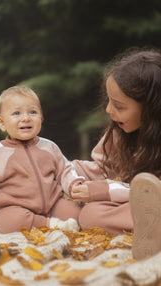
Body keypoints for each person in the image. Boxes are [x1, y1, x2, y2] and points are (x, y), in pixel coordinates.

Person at [64, 47, 161, 260]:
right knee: (90, 214)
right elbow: (102, 168)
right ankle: (152, 229)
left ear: (151, 110)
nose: (108, 110)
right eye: (109, 101)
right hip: (136, 206)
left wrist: (106, 191)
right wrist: (66, 168)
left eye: (118, 105)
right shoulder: (119, 132)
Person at [0, 86, 83, 236]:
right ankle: (50, 224)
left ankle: (52, 221)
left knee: (78, 212)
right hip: (15, 208)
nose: (26, 118)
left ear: (41, 118)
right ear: (2, 123)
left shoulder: (49, 147)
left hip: (52, 204)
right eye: (16, 113)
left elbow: (65, 170)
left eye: (33, 112)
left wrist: (75, 185)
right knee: (5, 221)